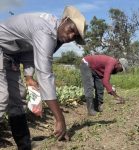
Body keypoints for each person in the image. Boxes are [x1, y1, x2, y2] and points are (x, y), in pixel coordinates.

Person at [0, 5, 86, 149]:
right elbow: (45, 75)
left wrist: (28, 76)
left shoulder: (54, 34)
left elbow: (29, 52)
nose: (71, 37)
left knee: (18, 99)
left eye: (75, 36)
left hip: (10, 56)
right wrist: (60, 119)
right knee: (2, 97)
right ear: (64, 20)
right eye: (71, 30)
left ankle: (24, 145)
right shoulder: (45, 30)